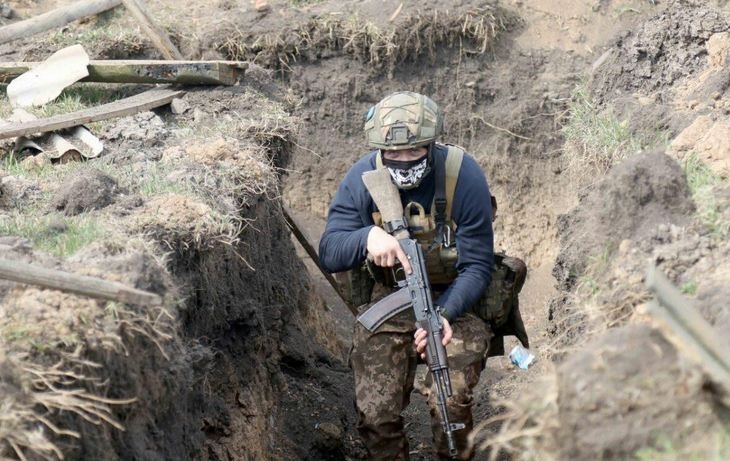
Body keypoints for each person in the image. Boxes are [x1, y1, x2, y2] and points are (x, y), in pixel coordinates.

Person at [319, 91, 495, 460]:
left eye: (413, 152)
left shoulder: (463, 175)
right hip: (391, 300)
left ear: (432, 145)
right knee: (376, 412)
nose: (402, 161)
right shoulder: (364, 177)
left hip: (455, 301)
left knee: (452, 399)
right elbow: (330, 250)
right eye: (392, 154)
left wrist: (444, 315)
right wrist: (367, 236)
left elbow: (478, 265)